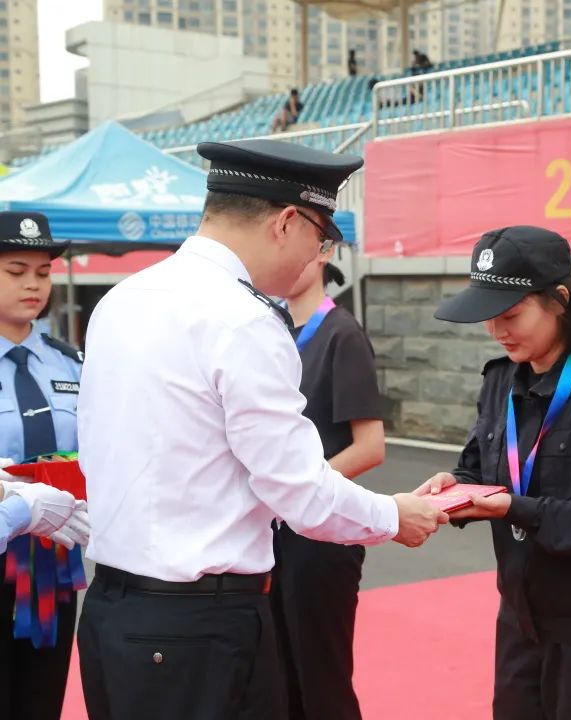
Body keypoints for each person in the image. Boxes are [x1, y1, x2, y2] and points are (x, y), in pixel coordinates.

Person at [76, 139, 448, 720]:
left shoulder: (122, 300)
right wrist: (393, 515)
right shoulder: (242, 319)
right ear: (286, 222)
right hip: (200, 628)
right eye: (318, 240)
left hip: (113, 612)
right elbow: (298, 490)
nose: (313, 259)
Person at [415, 226, 571, 720]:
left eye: (511, 315)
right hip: (521, 625)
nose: (497, 330)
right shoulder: (499, 382)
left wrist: (514, 508)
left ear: (559, 301)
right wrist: (454, 487)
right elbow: (477, 466)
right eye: (489, 317)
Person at [271, 253, 383, 720]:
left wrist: (302, 490)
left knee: (321, 680)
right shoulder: (268, 329)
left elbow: (370, 446)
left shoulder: (342, 334)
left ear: (321, 253)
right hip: (269, 531)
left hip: (321, 536)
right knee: (276, 680)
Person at [0, 211, 92, 720]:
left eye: (43, 272)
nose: (33, 285)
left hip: (53, 559)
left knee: (42, 696)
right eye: (16, 272)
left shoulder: (71, 364)